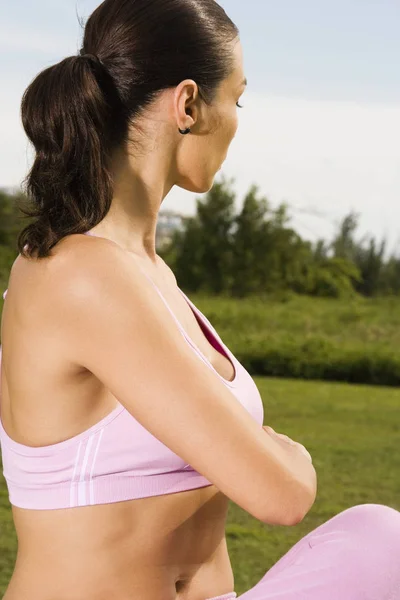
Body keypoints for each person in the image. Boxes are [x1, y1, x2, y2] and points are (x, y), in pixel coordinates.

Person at [1, 1, 400, 599]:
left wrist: (272, 456)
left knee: (378, 539)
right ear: (188, 104)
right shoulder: (79, 275)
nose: (238, 120)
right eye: (235, 100)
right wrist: (285, 453)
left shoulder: (153, 275)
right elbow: (282, 493)